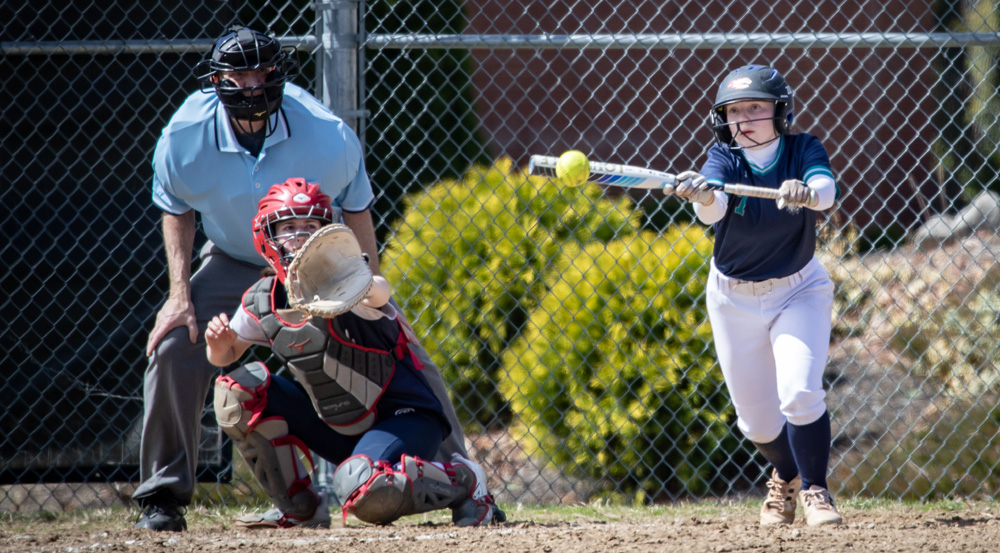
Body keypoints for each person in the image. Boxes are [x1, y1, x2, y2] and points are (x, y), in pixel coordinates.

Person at [133, 25, 487, 531]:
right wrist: (179, 295)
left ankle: (460, 475)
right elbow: (175, 207)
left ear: (279, 74)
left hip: (319, 257)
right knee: (172, 345)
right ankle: (167, 497)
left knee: (398, 346)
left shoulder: (325, 134)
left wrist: (368, 287)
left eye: (262, 71)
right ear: (217, 80)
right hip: (236, 253)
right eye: (239, 73)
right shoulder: (185, 136)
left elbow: (357, 207)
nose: (252, 83)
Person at [204, 177, 496, 527]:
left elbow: (379, 292)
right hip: (338, 426)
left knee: (363, 490)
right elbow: (225, 357)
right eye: (289, 227)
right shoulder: (262, 299)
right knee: (235, 392)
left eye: (309, 226)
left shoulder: (347, 284)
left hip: (404, 419)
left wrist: (362, 283)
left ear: (325, 233)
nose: (298, 236)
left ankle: (466, 481)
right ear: (267, 236)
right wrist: (217, 345)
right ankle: (298, 507)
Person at [671, 64, 843, 527]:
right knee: (758, 425)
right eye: (733, 111)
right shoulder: (723, 158)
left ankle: (815, 490)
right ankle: (785, 475)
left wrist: (806, 191)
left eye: (754, 108)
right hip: (733, 298)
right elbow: (715, 211)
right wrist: (702, 196)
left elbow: (827, 191)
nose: (742, 119)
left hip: (797, 289)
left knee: (801, 394)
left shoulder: (801, 148)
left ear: (779, 111)